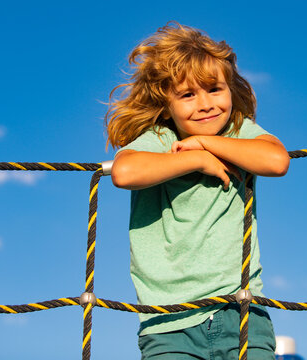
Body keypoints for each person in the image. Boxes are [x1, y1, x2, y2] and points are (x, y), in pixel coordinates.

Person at [106, 22, 290, 360]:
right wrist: (198, 161)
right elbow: (124, 171)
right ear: (166, 105)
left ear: (231, 91)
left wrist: (205, 143)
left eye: (214, 90)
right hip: (168, 323)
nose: (204, 104)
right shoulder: (160, 140)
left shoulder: (238, 133)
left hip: (243, 312)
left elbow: (277, 161)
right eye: (188, 95)